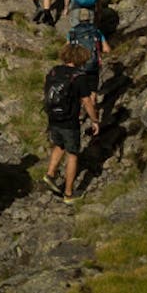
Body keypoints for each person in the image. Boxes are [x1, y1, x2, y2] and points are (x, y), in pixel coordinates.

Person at [44, 43, 102, 203]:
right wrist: (95, 120)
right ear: (81, 58)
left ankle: (50, 174)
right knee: (73, 155)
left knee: (59, 145)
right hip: (69, 121)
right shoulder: (79, 77)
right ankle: (69, 194)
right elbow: (87, 102)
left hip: (53, 118)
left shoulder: (53, 71)